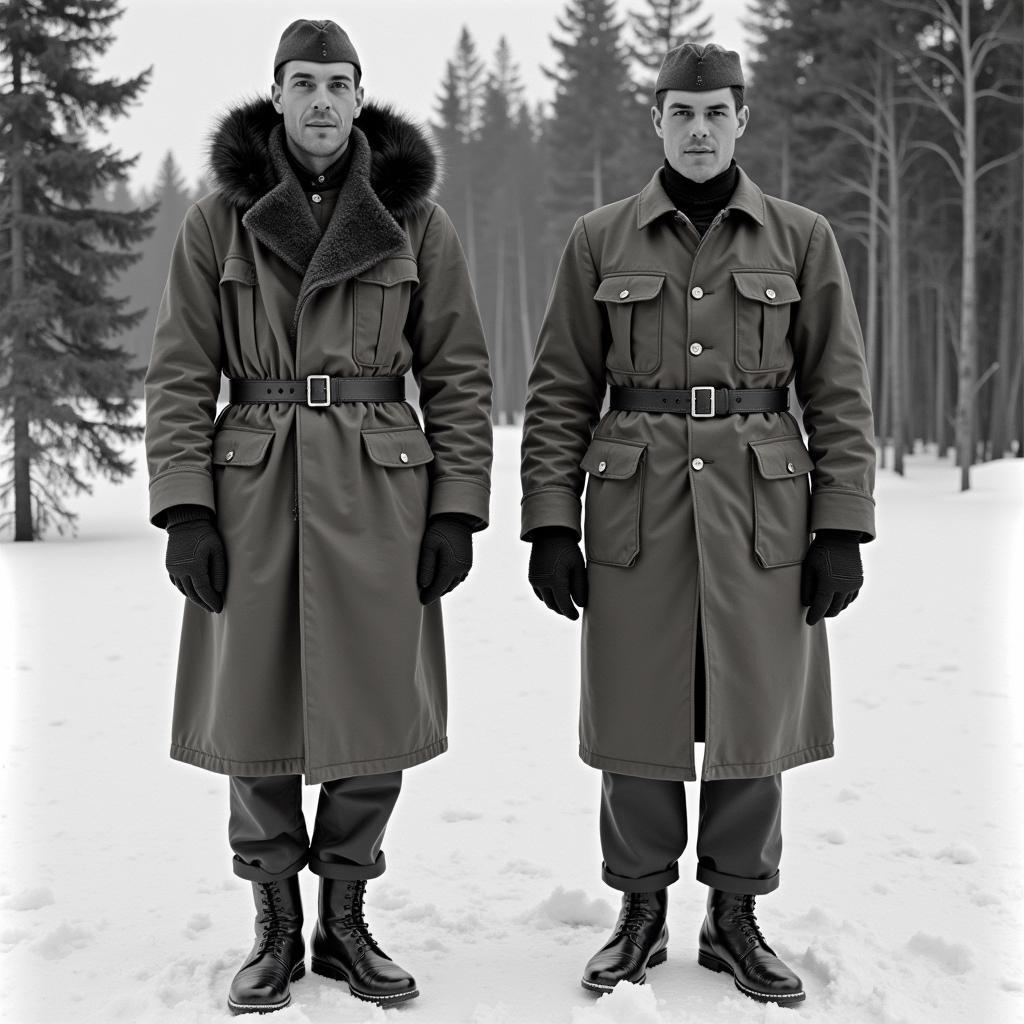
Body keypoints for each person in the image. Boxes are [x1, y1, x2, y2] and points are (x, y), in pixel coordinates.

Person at [144, 19, 492, 1015]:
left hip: (382, 488)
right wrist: (185, 508)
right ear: (277, 95)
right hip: (253, 486)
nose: (323, 102)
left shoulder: (414, 220)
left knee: (374, 705)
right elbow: (177, 373)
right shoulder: (218, 220)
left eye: (339, 83)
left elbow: (460, 373)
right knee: (253, 703)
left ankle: (344, 916)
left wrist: (455, 508)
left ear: (360, 95)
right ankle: (275, 922)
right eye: (304, 83)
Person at [520, 42, 875, 1006]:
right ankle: (638, 910)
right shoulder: (600, 239)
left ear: (743, 119)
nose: (701, 129)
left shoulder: (801, 238)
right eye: (683, 112)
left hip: (765, 504)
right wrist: (551, 524)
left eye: (717, 112)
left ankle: (736, 913)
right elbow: (559, 390)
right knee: (638, 710)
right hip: (636, 504)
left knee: (752, 713)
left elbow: (838, 390)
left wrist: (839, 525)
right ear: (658, 121)